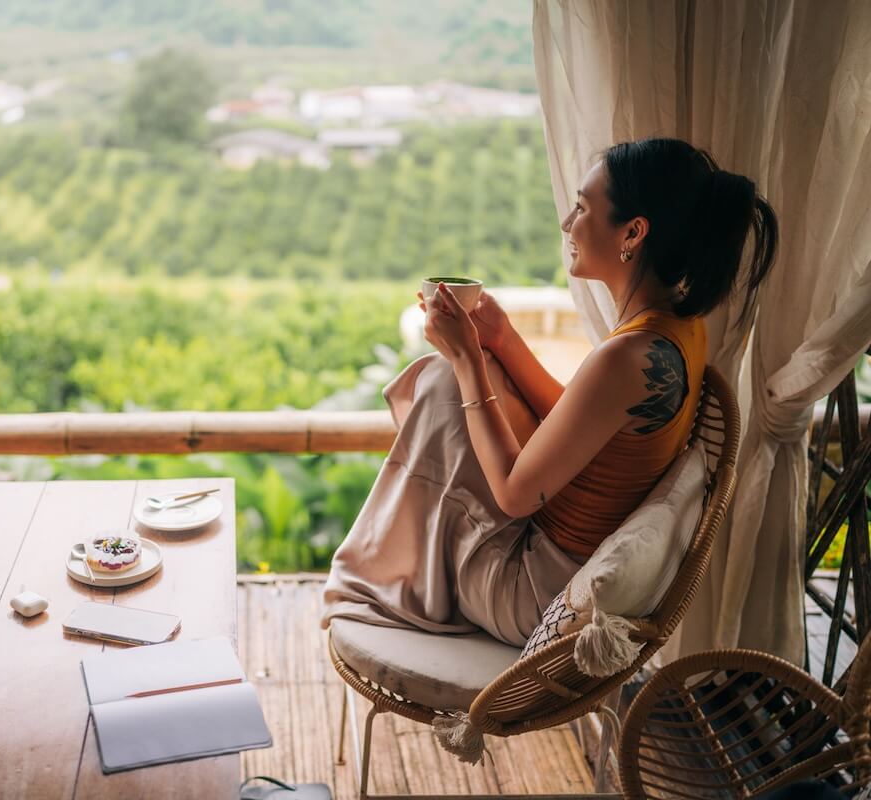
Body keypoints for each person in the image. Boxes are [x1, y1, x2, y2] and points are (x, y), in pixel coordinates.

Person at [322, 137, 779, 647]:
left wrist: (468, 359)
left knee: (442, 380)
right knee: (464, 379)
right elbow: (580, 421)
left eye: (583, 207)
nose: (568, 223)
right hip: (557, 565)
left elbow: (517, 496)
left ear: (633, 232)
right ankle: (391, 551)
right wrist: (502, 341)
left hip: (531, 592)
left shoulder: (626, 357)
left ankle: (385, 561)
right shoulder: (681, 327)